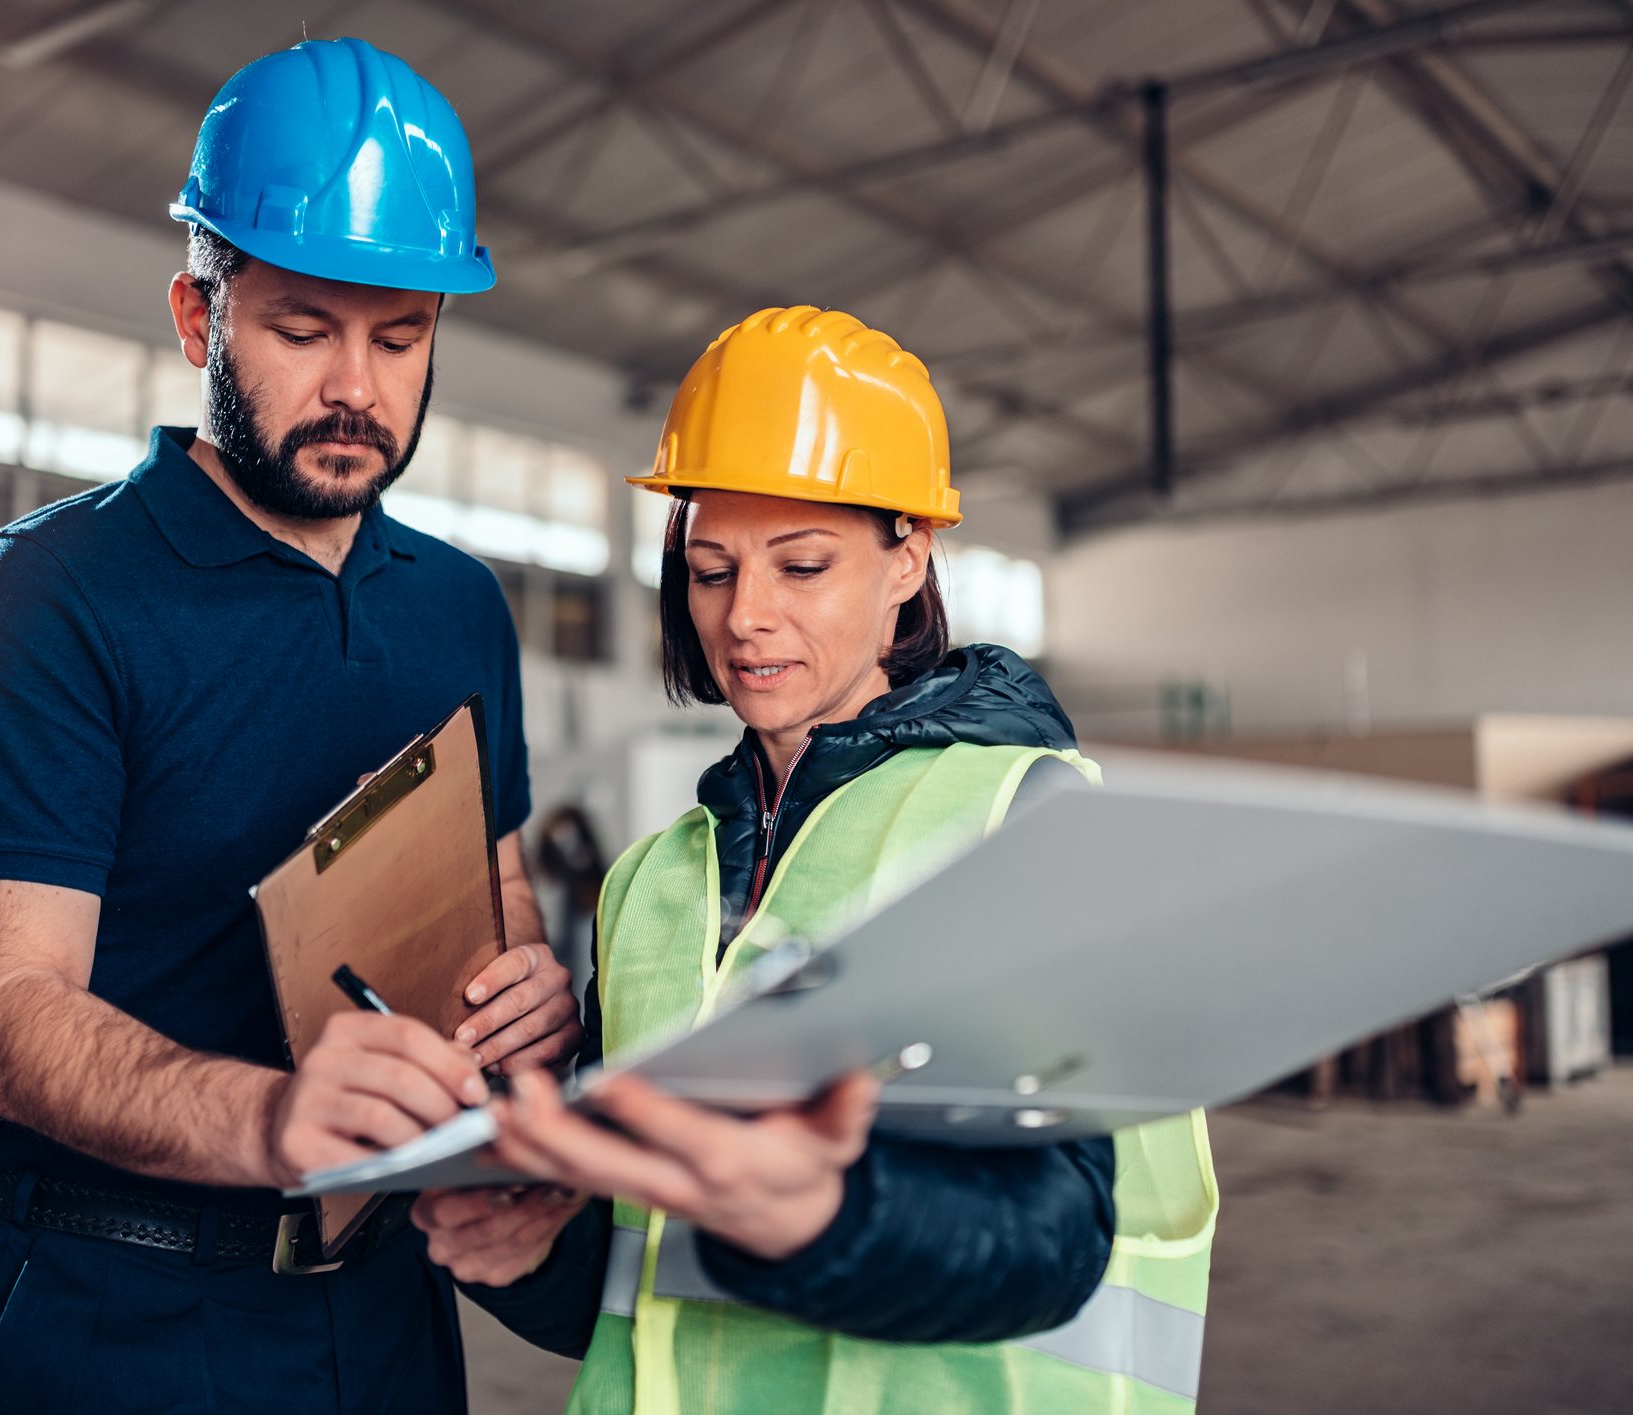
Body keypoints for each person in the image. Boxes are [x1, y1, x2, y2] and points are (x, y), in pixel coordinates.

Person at [0, 39, 579, 1415]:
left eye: (399, 337)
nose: (356, 384)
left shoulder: (459, 607)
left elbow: (494, 894)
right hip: (119, 1309)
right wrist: (274, 1120)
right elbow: (7, 1008)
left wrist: (529, 986)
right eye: (301, 327)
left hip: (388, 1299)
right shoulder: (55, 593)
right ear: (197, 315)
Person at [416, 307, 1220, 1413]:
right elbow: (640, 1284)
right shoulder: (655, 883)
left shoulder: (1016, 815)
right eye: (710, 570)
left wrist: (821, 1215)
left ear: (908, 559)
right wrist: (534, 1250)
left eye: (801, 565)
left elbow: (1052, 1236)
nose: (745, 617)